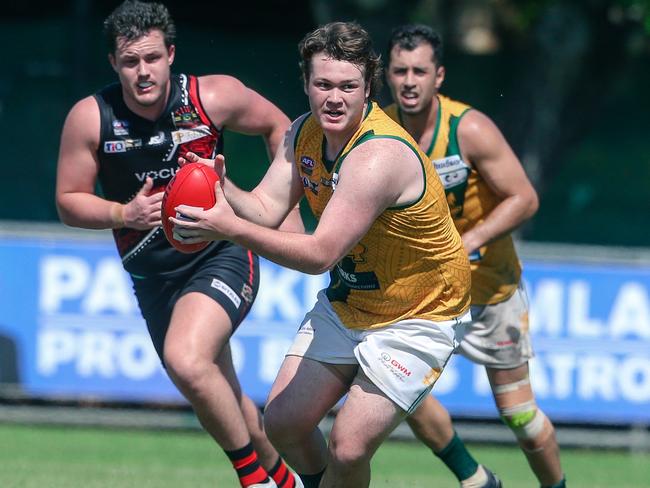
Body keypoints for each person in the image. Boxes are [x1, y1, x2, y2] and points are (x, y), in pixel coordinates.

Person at [169, 21, 473, 488]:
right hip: (353, 301)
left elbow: (319, 255)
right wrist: (219, 184)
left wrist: (228, 228)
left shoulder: (378, 156)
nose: (335, 98)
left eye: (348, 86)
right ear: (306, 84)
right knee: (284, 424)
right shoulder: (303, 133)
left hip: (420, 313)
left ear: (368, 87)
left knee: (348, 447)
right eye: (323, 84)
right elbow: (268, 209)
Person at [55, 2, 303, 487]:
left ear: (171, 54)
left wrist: (283, 212)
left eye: (151, 58)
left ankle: (253, 481)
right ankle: (292, 482)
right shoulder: (91, 118)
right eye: (130, 62)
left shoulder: (213, 96)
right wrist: (121, 213)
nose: (142, 72)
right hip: (152, 278)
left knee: (186, 361)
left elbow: (284, 128)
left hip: (221, 253)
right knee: (226, 400)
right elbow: (67, 201)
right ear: (114, 63)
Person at [385, 24, 566, 488]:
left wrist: (469, 240)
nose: (409, 81)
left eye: (419, 71)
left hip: (489, 290)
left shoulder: (470, 129)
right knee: (395, 386)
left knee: (521, 417)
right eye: (400, 70)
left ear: (438, 76)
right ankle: (474, 478)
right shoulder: (379, 132)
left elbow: (524, 198)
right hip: (424, 297)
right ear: (386, 74)